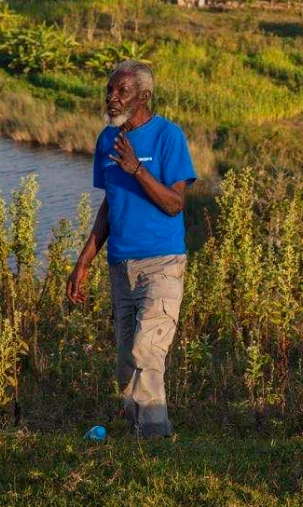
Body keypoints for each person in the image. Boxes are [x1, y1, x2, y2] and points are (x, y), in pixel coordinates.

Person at [67, 60, 195, 439]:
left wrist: (137, 169)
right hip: (121, 266)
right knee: (126, 364)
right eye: (109, 90)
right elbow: (110, 204)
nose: (112, 97)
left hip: (163, 263)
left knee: (147, 353)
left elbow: (175, 203)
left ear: (144, 95)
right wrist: (83, 262)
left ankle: (154, 438)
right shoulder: (107, 140)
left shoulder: (169, 137)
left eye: (121, 91)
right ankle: (144, 431)